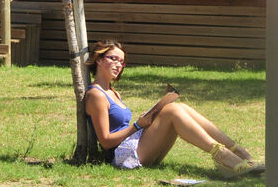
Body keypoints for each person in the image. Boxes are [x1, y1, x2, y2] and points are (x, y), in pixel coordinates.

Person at [83, 39, 261, 176]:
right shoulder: (96, 95)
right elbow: (105, 141)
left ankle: (241, 154)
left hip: (134, 146)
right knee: (172, 110)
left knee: (178, 106)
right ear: (99, 60)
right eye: (113, 59)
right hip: (122, 156)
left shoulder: (113, 92)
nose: (118, 65)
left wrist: (146, 120)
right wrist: (138, 125)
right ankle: (226, 158)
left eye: (122, 62)